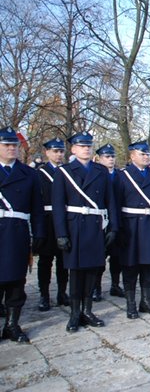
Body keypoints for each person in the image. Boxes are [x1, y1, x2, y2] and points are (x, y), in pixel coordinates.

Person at [52, 131, 118, 332]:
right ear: (73, 149)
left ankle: (88, 310)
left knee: (92, 270)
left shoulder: (100, 171)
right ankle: (74, 314)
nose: (86, 149)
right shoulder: (63, 172)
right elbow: (57, 206)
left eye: (89, 146)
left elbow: (110, 201)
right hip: (74, 227)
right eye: (82, 146)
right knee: (76, 272)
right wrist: (61, 233)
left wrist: (113, 226)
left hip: (95, 226)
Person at [115, 141, 150, 319]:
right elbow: (114, 205)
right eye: (142, 154)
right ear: (132, 156)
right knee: (130, 266)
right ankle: (131, 303)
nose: (146, 157)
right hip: (130, 226)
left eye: (148, 154)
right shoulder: (122, 176)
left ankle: (146, 301)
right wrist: (117, 228)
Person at [0, 127, 45, 343]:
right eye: (6, 145)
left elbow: (37, 208)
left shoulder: (29, 174)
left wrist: (39, 233)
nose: (11, 149)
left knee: (17, 281)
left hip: (17, 233)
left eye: (14, 145)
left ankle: (12, 325)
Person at [36, 138, 69, 311]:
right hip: (47, 220)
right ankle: (44, 295)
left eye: (61, 151)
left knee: (64, 261)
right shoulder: (39, 173)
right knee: (45, 261)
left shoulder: (67, 172)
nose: (59, 155)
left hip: (64, 220)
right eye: (55, 151)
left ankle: (62, 293)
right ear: (47, 153)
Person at [93, 143, 124, 299]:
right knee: (99, 257)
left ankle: (115, 285)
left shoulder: (121, 175)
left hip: (118, 220)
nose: (111, 159)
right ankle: (96, 287)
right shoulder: (95, 174)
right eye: (107, 156)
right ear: (99, 158)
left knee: (117, 257)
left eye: (112, 156)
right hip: (100, 221)